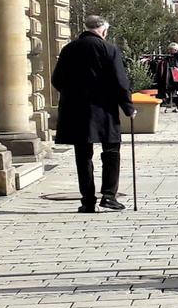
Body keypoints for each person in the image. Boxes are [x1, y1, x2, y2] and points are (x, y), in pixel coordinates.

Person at [52, 16, 135, 213]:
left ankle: (88, 201)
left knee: (83, 155)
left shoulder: (69, 49)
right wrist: (128, 108)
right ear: (104, 31)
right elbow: (119, 81)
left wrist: (72, 94)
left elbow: (57, 79)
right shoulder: (108, 49)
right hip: (104, 109)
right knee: (111, 152)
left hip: (76, 109)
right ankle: (108, 196)